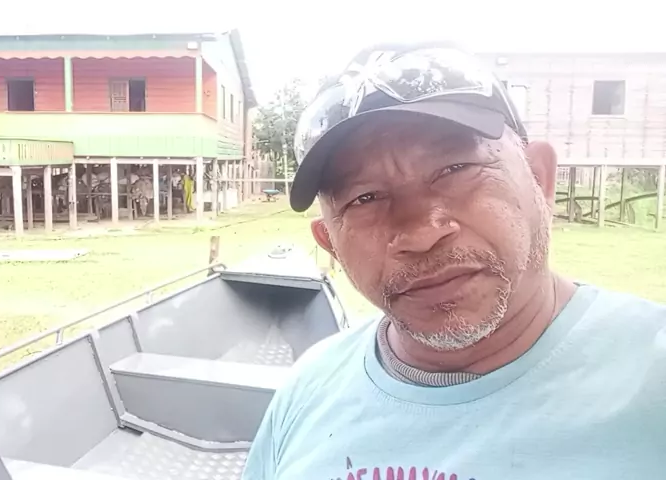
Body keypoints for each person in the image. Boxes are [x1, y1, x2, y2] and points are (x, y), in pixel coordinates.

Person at [242, 46, 666, 479]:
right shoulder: (308, 390)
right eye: (365, 198)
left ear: (539, 178)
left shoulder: (653, 379)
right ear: (330, 243)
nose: (420, 233)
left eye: (455, 169)